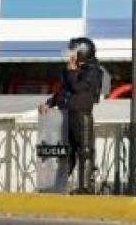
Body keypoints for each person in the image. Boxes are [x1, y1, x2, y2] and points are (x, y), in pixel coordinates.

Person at [39, 37, 104, 195]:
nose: (70, 54)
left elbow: (78, 87)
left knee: (84, 150)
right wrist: (49, 103)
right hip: (66, 114)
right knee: (67, 152)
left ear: (82, 52)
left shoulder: (92, 70)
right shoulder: (71, 69)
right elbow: (64, 90)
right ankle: (57, 185)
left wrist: (72, 70)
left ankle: (85, 187)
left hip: (81, 114)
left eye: (74, 51)